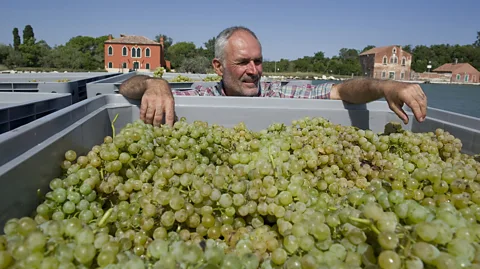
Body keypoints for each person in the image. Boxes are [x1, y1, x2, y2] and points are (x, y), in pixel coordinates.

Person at [119, 26, 427, 127]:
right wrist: (154, 83)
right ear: (218, 67)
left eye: (258, 61)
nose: (254, 71)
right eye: (242, 62)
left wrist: (384, 85)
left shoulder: (281, 93)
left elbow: (342, 91)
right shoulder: (195, 97)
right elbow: (126, 88)